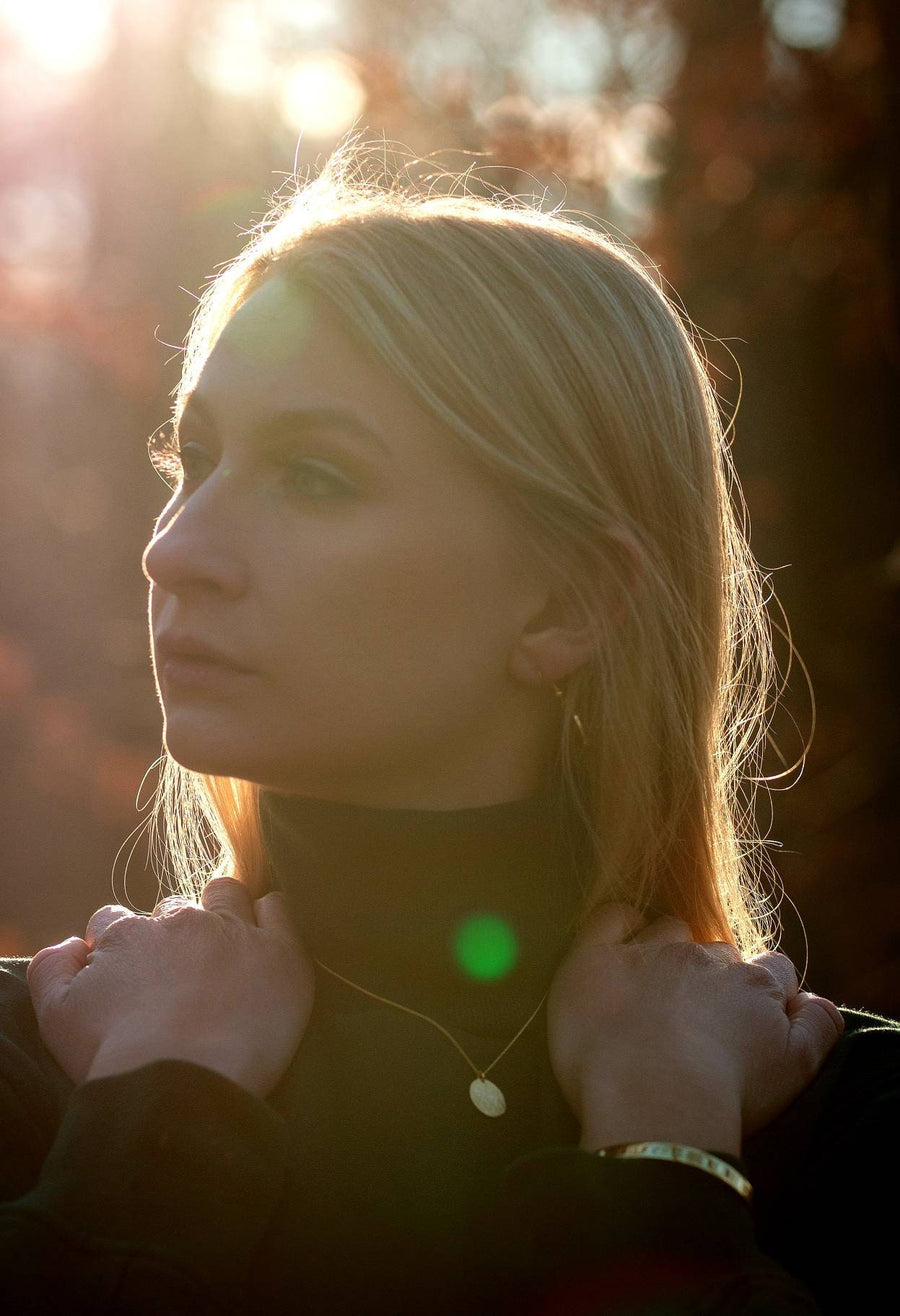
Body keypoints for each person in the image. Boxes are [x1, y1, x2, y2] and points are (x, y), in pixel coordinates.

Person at [1, 135, 897, 1314]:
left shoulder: (844, 1121)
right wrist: (152, 1132)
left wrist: (668, 1150)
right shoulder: (39, 1066)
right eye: (197, 458)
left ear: (571, 600)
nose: (173, 550)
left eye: (315, 475)